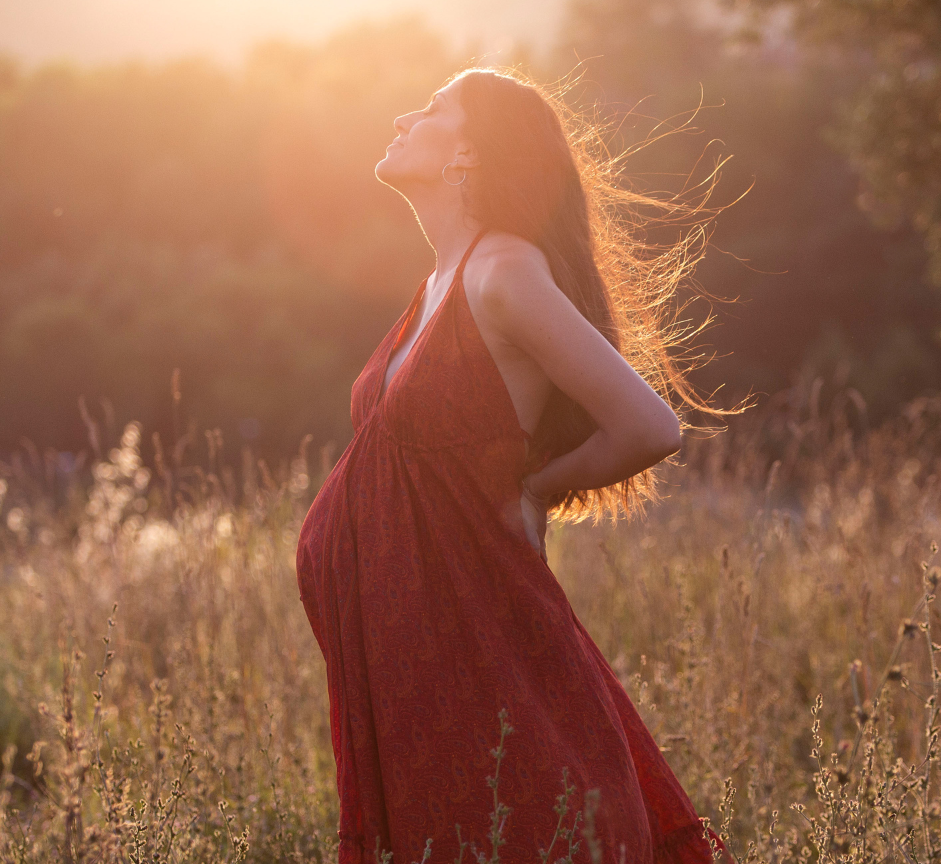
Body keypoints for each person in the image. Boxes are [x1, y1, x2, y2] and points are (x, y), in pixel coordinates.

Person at [296, 67, 735, 864]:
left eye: (430, 108)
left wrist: (535, 490)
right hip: (417, 651)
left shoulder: (504, 272)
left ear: (469, 151)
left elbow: (648, 425)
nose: (401, 114)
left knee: (524, 830)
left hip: (479, 630)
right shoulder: (437, 283)